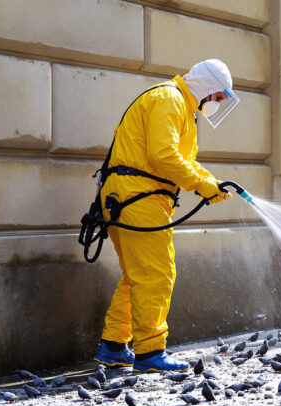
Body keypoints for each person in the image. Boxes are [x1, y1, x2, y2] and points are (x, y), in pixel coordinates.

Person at [93, 59, 239, 373]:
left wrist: (210, 182)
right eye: (217, 96)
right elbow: (163, 155)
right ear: (206, 87)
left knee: (138, 276)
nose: (216, 104)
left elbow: (180, 159)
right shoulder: (171, 99)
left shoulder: (177, 103)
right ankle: (150, 353)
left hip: (130, 195)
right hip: (138, 197)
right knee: (157, 275)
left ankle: (115, 346)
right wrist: (201, 184)